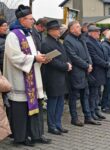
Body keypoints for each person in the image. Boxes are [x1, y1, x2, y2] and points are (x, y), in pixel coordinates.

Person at [3, 5, 51, 146]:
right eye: (30, 19)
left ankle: (35, 135)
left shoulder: (28, 34)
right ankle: (21, 138)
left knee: (35, 111)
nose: (33, 21)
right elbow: (15, 57)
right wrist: (34, 59)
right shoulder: (13, 35)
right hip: (20, 80)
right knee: (21, 112)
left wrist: (41, 57)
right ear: (22, 20)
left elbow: (32, 53)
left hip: (32, 78)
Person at [64, 21, 101, 126]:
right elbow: (73, 56)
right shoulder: (68, 40)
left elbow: (87, 53)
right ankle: (74, 118)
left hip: (85, 72)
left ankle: (88, 117)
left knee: (85, 95)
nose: (80, 28)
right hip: (75, 72)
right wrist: (86, 65)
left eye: (79, 26)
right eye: (77, 26)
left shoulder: (81, 38)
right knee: (74, 96)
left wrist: (90, 64)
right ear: (71, 29)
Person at [41, 20, 72, 135]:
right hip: (52, 78)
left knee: (60, 102)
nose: (60, 31)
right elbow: (51, 62)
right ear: (51, 31)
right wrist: (65, 66)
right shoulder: (46, 43)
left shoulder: (58, 42)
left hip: (61, 77)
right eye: (58, 29)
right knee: (53, 103)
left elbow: (65, 55)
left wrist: (68, 63)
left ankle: (58, 124)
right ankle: (52, 126)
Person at [86, 25, 109, 120]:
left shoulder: (96, 41)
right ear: (91, 33)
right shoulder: (88, 42)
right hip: (95, 71)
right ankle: (92, 112)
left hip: (100, 71)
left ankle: (96, 110)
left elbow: (103, 54)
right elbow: (94, 57)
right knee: (93, 94)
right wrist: (105, 64)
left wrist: (107, 62)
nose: (99, 33)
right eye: (96, 31)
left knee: (97, 93)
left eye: (99, 31)